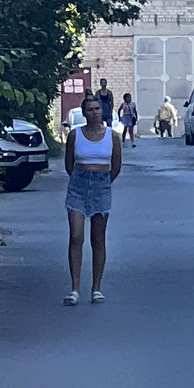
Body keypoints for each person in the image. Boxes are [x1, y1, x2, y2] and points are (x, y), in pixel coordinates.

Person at [63, 92, 121, 306]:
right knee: (76, 236)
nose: (94, 113)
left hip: (101, 185)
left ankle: (96, 288)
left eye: (97, 109)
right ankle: (75, 288)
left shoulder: (112, 136)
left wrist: (103, 182)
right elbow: (69, 165)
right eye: (90, 110)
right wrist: (81, 178)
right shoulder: (75, 135)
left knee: (98, 238)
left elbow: (116, 166)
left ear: (102, 111)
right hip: (78, 185)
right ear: (84, 113)